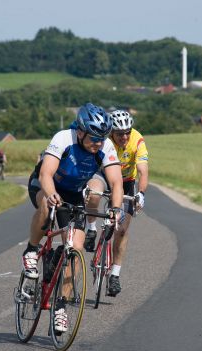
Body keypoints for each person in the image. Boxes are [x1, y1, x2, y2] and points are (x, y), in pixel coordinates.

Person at [23, 103, 124, 333]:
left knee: (75, 249)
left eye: (101, 138)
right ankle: (31, 249)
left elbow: (116, 181)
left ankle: (61, 307)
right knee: (47, 207)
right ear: (80, 131)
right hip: (46, 185)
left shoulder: (105, 146)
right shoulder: (63, 138)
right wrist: (51, 194)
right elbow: (45, 173)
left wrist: (115, 209)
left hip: (74, 193)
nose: (97, 143)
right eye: (93, 138)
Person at [84, 109, 149, 297]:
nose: (125, 137)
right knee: (93, 196)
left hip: (127, 182)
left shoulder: (137, 140)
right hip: (103, 176)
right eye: (120, 133)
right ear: (112, 132)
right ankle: (91, 228)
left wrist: (141, 193)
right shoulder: (104, 140)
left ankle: (114, 275)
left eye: (128, 132)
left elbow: (143, 171)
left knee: (121, 229)